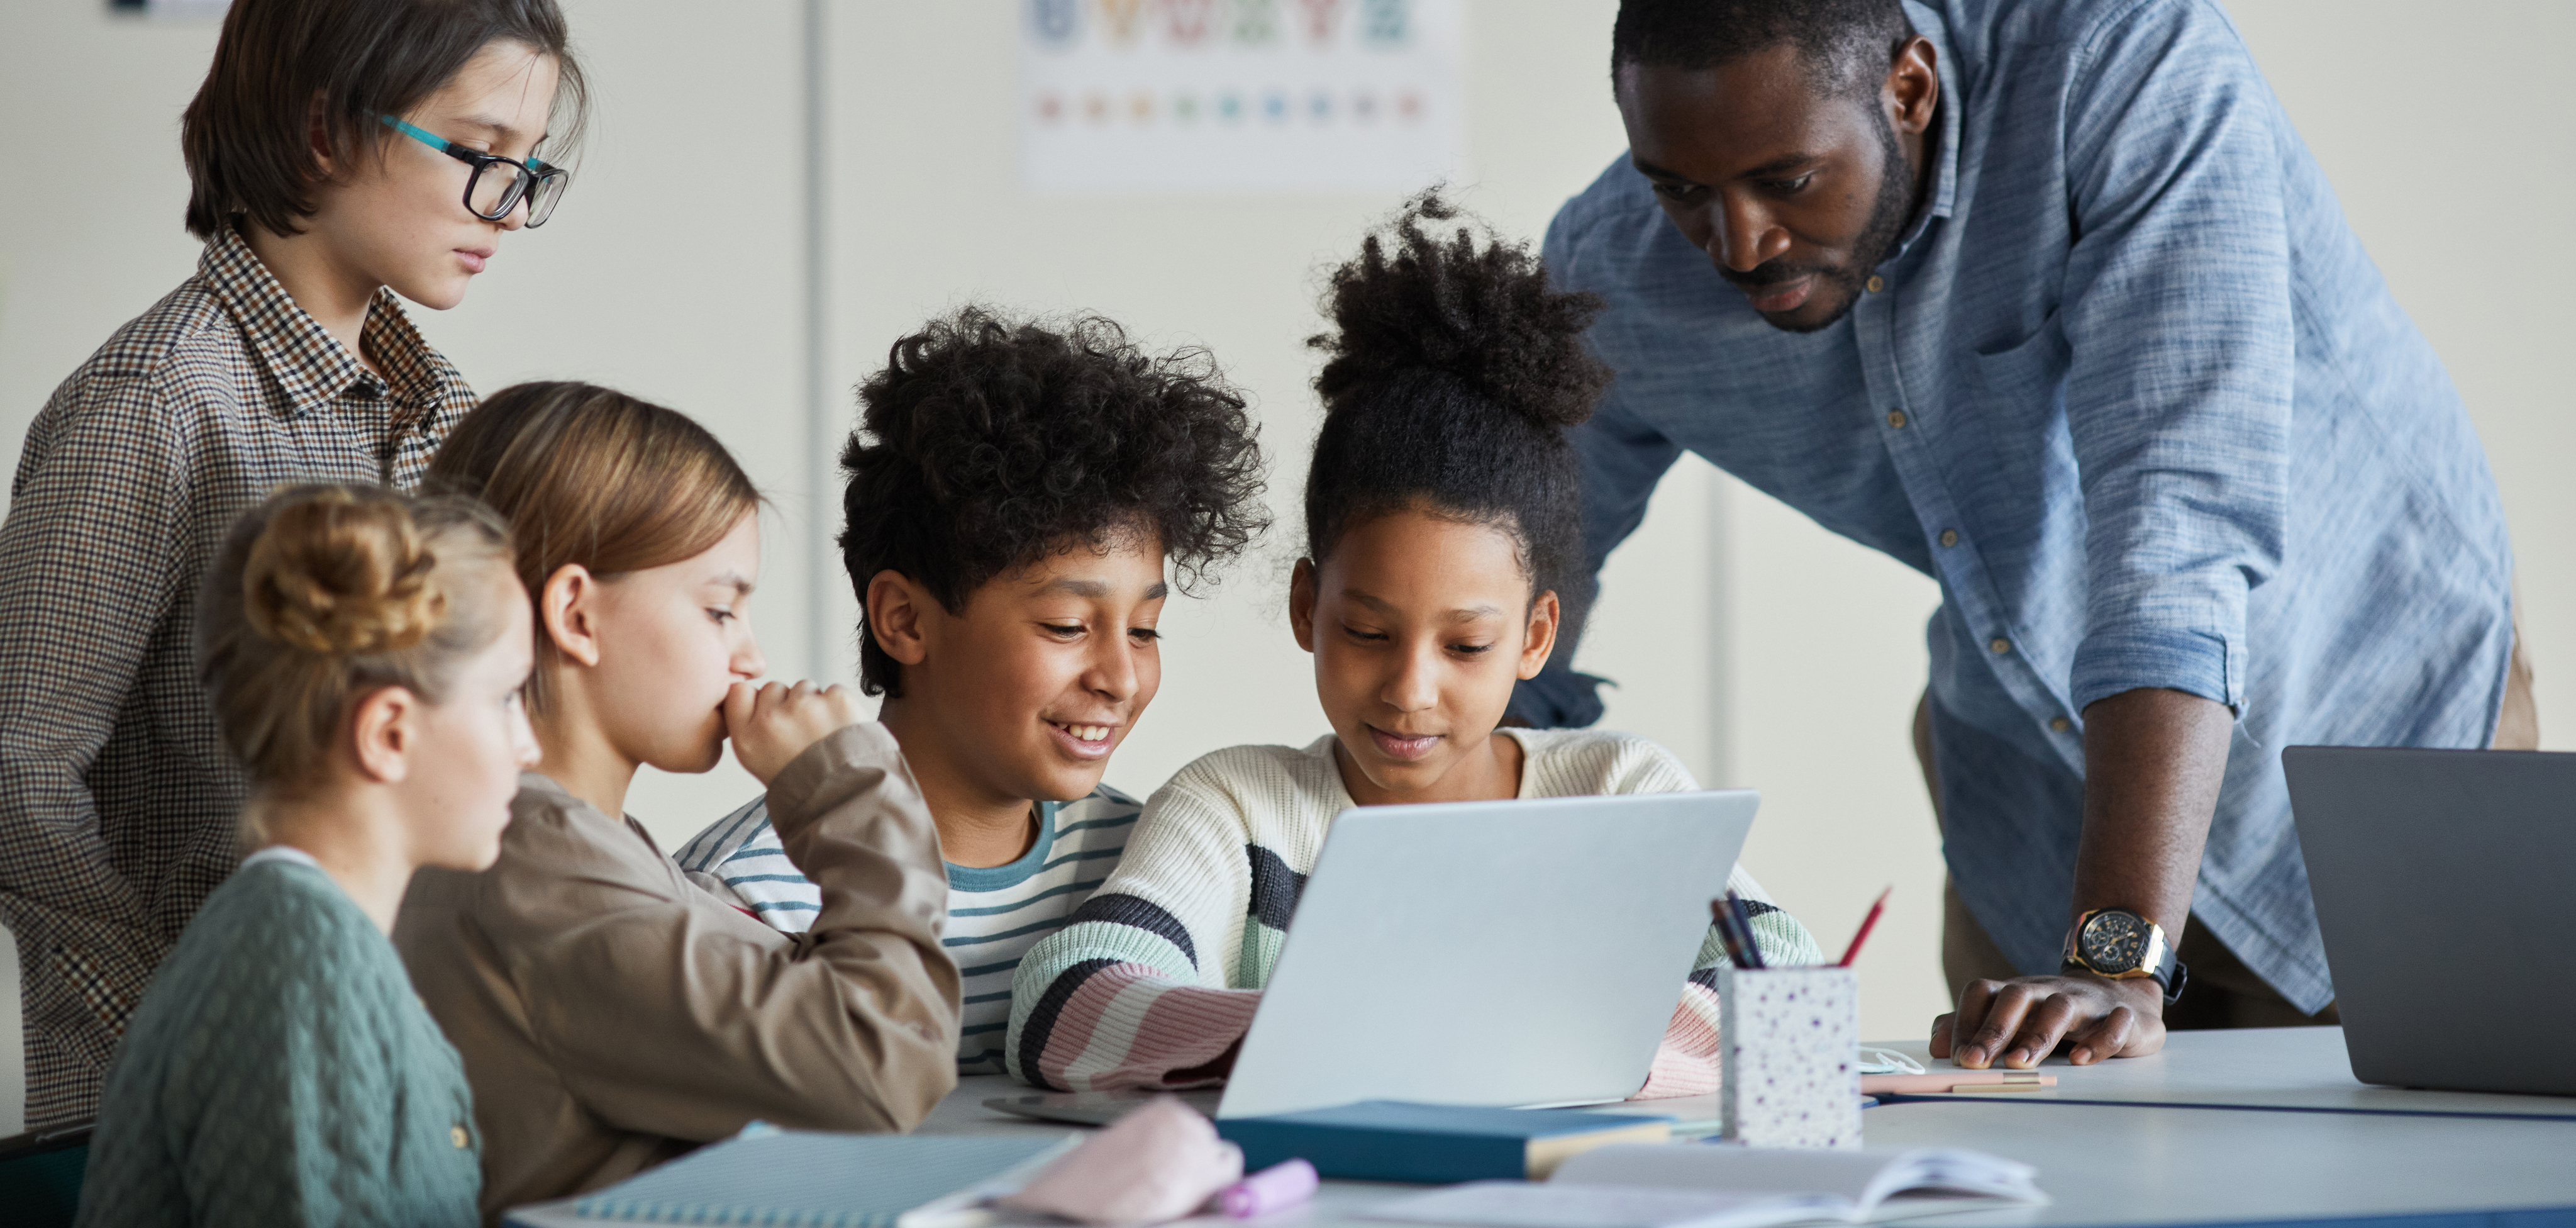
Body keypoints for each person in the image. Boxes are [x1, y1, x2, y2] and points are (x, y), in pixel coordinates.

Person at [1520, 0, 2528, 1068]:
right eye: (1679, 189)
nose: (1738, 241)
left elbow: (2171, 539)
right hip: (2032, 808)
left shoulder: (2123, 70)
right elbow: (1509, 589)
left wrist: (2112, 963)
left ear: (1908, 91)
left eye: (1788, 180)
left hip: (2374, 745)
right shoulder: (1614, 274)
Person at [1006, 196, 1822, 1096]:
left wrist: (1489, 1044)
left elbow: (1790, 989)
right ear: (1307, 606)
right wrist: (1364, 1029)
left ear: (1536, 636)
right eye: (1366, 632)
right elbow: (1068, 1004)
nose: (1409, 688)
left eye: (1467, 646)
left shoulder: (1623, 798)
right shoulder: (1240, 812)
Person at [0, 0, 586, 1129]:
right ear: (323, 130)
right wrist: (192, 1020)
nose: (507, 212)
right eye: (481, 156)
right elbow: (17, 777)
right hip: (195, 1101)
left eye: (530, 170)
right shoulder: (158, 406)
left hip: (401, 1064)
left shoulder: (444, 412)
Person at [391, 382, 958, 1219]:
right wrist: (847, 785)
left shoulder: (572, 843)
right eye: (720, 610)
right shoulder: (535, 864)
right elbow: (879, 1062)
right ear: (577, 615)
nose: (751, 657)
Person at [676, 308, 1270, 1074]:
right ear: (904, 620)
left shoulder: (1149, 867)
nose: (1120, 677)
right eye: (1065, 625)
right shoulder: (750, 895)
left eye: (1146, 628)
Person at [77, 484, 536, 1227]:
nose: (529, 745)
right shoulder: (304, 960)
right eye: (508, 696)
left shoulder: (307, 938)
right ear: (389, 732)